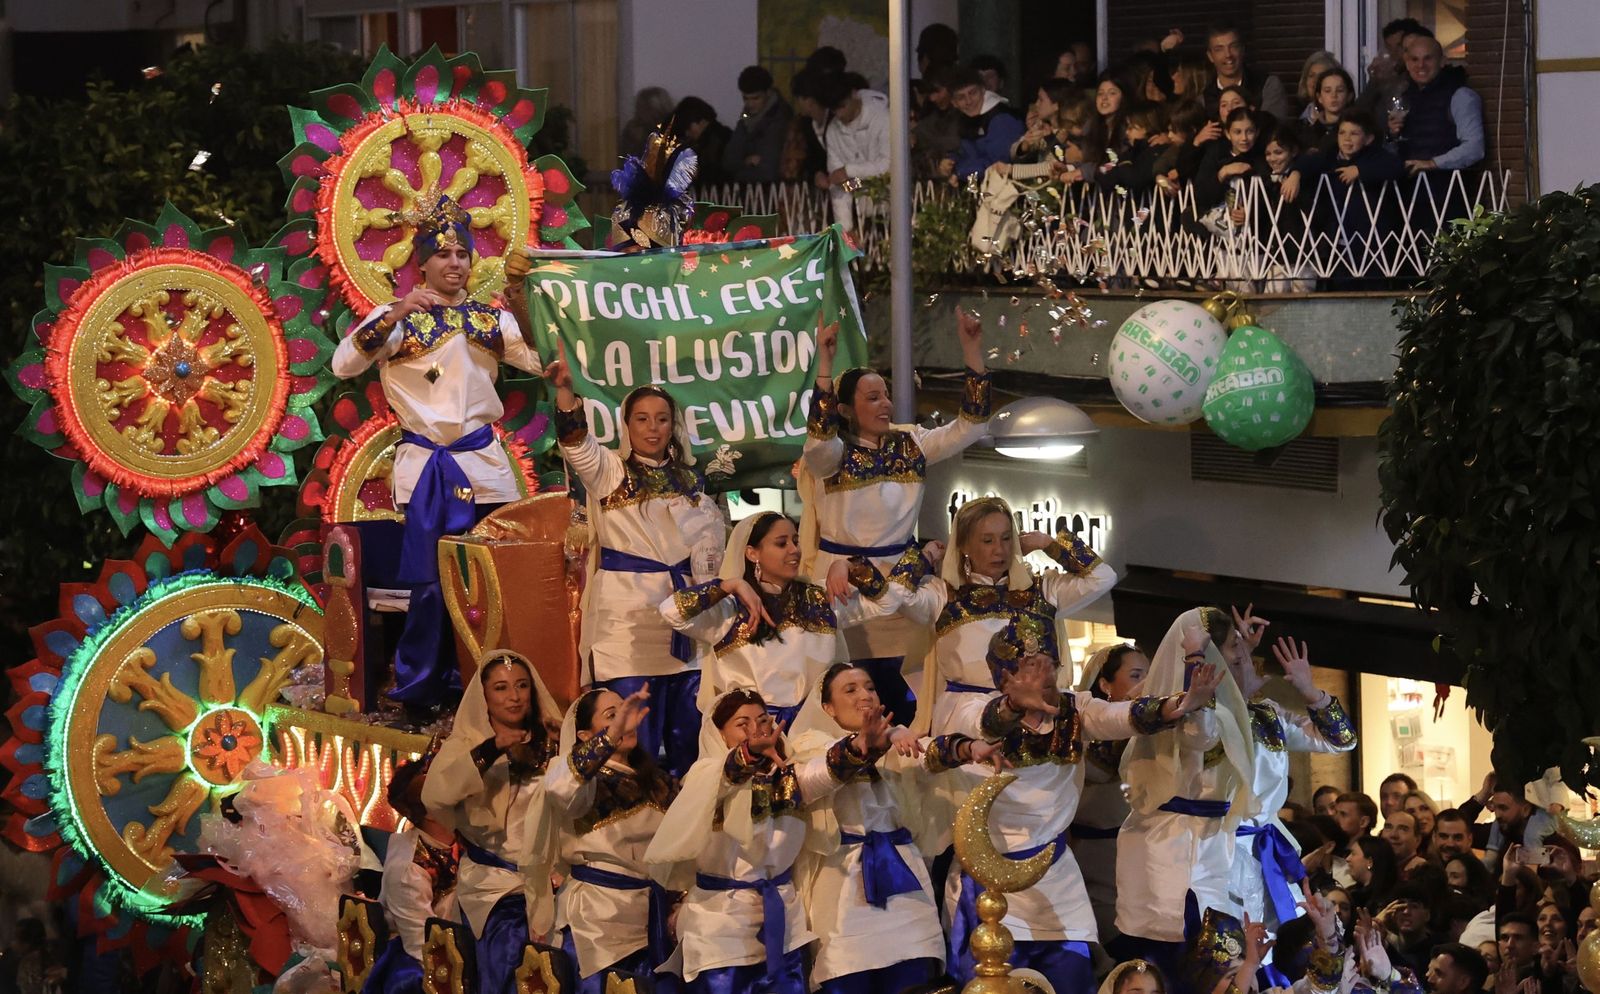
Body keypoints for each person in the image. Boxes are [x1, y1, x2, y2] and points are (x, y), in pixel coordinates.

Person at [331, 193, 541, 713]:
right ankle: (424, 689)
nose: (455, 263)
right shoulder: (396, 318)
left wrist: (525, 306)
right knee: (431, 587)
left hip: (485, 467)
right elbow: (343, 366)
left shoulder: (493, 322)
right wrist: (397, 311)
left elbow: (542, 362)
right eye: (443, 254)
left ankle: (500, 690)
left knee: (494, 580)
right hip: (426, 468)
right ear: (420, 262)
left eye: (463, 254)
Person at [939, 616, 1222, 993]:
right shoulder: (970, 707)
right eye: (1029, 667)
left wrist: (1182, 704)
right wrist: (1010, 706)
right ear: (1004, 677)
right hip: (989, 883)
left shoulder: (1077, 710)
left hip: (1056, 881)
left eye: (1049, 665)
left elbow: (1123, 716)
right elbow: (986, 726)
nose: (1044, 675)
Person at [798, 310, 990, 725]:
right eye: (872, 398)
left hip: (903, 587)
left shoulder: (912, 444)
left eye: (885, 395)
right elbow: (818, 438)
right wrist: (825, 367)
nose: (885, 403)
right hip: (842, 587)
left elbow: (970, 427)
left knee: (909, 708)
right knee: (847, 707)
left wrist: (972, 352)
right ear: (846, 410)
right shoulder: (832, 457)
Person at [547, 349, 728, 779]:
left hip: (686, 621)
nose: (653, 427)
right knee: (632, 738)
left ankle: (684, 825)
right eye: (642, 418)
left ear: (674, 425)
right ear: (627, 425)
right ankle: (629, 822)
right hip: (625, 625)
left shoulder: (692, 480)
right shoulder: (610, 472)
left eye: (662, 418)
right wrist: (566, 393)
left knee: (690, 734)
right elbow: (576, 444)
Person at [644, 688, 893, 993]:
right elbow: (727, 775)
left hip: (784, 922)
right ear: (718, 734)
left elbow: (826, 771)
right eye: (742, 723)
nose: (757, 729)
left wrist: (861, 746)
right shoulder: (704, 777)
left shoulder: (790, 779)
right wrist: (747, 754)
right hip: (720, 930)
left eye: (762, 720)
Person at [788, 663, 991, 993]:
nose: (865, 695)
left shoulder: (898, 739)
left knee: (916, 974)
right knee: (846, 976)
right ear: (827, 707)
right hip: (843, 890)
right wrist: (863, 745)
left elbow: (925, 755)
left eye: (869, 687)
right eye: (850, 690)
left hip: (905, 886)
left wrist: (967, 749)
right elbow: (815, 779)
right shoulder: (810, 745)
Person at [661, 511, 910, 726]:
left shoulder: (820, 599)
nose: (794, 550)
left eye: (795, 541)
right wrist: (729, 585)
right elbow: (671, 611)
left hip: (817, 731)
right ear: (752, 553)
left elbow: (887, 603)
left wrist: (850, 566)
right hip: (756, 734)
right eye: (782, 543)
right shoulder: (729, 608)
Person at [899, 495, 1117, 739]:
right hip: (968, 718)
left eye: (1006, 538)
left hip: (1036, 717)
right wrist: (924, 558)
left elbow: (1103, 577)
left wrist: (1049, 544)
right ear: (963, 546)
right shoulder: (942, 595)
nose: (999, 550)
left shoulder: (1042, 589)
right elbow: (896, 596)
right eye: (987, 540)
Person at [1116, 608, 1257, 980]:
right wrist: (1195, 663)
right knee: (1171, 951)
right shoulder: (1166, 707)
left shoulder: (1225, 707)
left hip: (1212, 842)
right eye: (1230, 647)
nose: (1238, 654)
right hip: (1172, 844)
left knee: (1216, 957)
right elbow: (1200, 735)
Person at [421, 651, 564, 994]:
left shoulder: (553, 742)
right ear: (484, 697)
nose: (514, 697)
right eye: (501, 688)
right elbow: (436, 795)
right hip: (495, 887)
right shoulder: (465, 744)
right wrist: (492, 749)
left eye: (522, 686)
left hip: (554, 884)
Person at [1220, 626, 1358, 934]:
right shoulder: (1199, 718)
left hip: (1265, 844)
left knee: (1278, 936)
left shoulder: (1268, 714)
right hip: (1217, 849)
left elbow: (1341, 740)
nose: (1250, 662)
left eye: (1249, 655)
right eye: (1236, 654)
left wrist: (1311, 692)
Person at [543, 686, 675, 993]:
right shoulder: (579, 779)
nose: (624, 722)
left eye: (625, 713)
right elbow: (560, 790)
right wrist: (611, 735)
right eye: (612, 716)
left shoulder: (658, 782)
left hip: (649, 917)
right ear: (586, 735)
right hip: (598, 924)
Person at [1074, 643, 1151, 948]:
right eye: (1136, 676)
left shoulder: (1155, 733)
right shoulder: (1083, 738)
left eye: (1150, 675)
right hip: (1095, 856)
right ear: (1105, 684)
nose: (1145, 684)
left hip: (1142, 856)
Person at [364, 758, 461, 994]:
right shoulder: (409, 870)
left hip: (457, 943)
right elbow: (421, 947)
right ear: (430, 812)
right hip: (420, 961)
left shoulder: (462, 841)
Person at [1387, 34, 1485, 177]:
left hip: (1449, 191)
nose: (1421, 65)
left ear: (1442, 61)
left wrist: (1433, 163)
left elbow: (1474, 148)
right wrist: (1392, 135)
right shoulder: (1405, 97)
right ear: (1407, 64)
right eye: (1414, 59)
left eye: (1428, 58)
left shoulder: (1460, 96)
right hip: (1408, 192)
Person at [815, 71, 890, 233]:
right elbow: (841, 185)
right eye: (835, 110)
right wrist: (845, 229)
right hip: (865, 215)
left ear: (854, 94)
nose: (839, 114)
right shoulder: (833, 131)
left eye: (842, 106)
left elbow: (890, 167)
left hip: (896, 211)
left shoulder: (883, 119)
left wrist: (849, 171)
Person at [1200, 21, 1291, 121]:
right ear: (1210, 56)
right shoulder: (1204, 96)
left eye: (1233, 46)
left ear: (1242, 49)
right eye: (1219, 49)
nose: (1228, 55)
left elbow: (1275, 130)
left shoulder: (1267, 85)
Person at [945, 66, 1025, 179]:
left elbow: (998, 163)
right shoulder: (964, 118)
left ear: (983, 90)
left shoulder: (1002, 118)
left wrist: (959, 172)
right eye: (961, 97)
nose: (968, 101)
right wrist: (951, 161)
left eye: (972, 93)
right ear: (954, 103)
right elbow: (968, 153)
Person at [723, 66, 793, 184]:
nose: (750, 104)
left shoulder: (780, 119)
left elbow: (769, 171)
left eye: (755, 98)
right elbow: (728, 161)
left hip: (773, 193)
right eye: (746, 99)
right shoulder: (746, 117)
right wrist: (746, 162)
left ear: (768, 92)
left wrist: (741, 166)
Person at [1484, 782, 1557, 872]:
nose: (1497, 814)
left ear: (1525, 810)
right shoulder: (1503, 829)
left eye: (1503, 808)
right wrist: (1484, 793)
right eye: (1495, 807)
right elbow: (1465, 828)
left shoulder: (1555, 848)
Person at [912, 67, 963, 181]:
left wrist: (920, 135)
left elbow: (955, 143)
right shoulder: (931, 114)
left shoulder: (964, 115)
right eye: (930, 94)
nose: (933, 98)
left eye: (937, 92)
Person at [671, 97, 733, 187]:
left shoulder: (720, 139)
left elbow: (728, 171)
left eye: (688, 128)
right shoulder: (713, 139)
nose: (687, 133)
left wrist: (700, 174)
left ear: (703, 121)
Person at [1300, 67, 1355, 153]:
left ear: (1349, 96)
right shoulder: (1308, 133)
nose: (1334, 95)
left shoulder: (1358, 131)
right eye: (1327, 91)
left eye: (1340, 90)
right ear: (1319, 97)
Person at [1347, 834, 1400, 912]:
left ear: (1370, 862)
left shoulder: (1389, 899)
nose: (1347, 859)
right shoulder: (1351, 894)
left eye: (1353, 854)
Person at [620, 87, 675, 160]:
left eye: (647, 108)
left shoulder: (671, 127)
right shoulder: (633, 128)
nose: (641, 111)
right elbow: (625, 156)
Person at [1384, 810, 1431, 880]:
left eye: (1403, 829)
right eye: (1388, 827)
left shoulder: (1425, 873)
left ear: (1417, 840)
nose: (1393, 834)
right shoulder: (1375, 869)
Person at [1296, 51, 1341, 116]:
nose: (1315, 81)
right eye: (1311, 76)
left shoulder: (1345, 119)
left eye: (1321, 76)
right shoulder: (1303, 115)